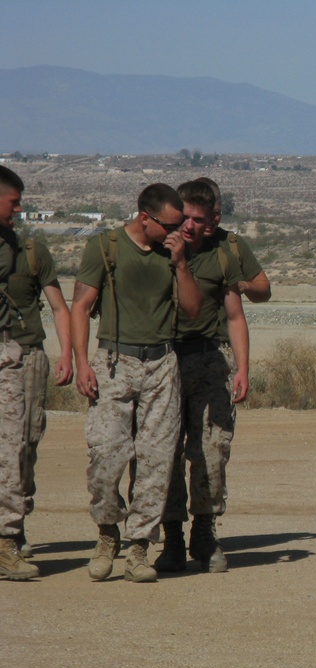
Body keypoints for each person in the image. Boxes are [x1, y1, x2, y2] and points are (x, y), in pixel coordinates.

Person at [72, 183, 203, 583]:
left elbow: (193, 310)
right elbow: (80, 306)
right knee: (105, 456)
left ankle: (140, 549)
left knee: (157, 462)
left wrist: (181, 263)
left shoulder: (175, 252)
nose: (178, 232)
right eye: (170, 225)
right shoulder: (105, 247)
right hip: (114, 362)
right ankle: (107, 534)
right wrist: (82, 363)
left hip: (162, 364)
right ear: (144, 218)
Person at [155, 181, 249, 575]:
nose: (191, 226)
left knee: (212, 450)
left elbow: (235, 315)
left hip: (210, 360)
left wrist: (243, 367)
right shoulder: (155, 254)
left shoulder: (220, 256)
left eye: (198, 218)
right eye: (185, 218)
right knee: (165, 453)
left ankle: (206, 531)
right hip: (164, 360)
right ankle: (173, 536)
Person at [8, 228, 74, 558]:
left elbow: (60, 308)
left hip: (28, 356)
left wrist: (66, 354)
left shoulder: (33, 252)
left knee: (25, 446)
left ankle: (13, 527)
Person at [0, 165, 37, 579]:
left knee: (12, 450)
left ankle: (6, 541)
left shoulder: (10, 240)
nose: (19, 208)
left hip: (4, 350)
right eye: (13, 201)